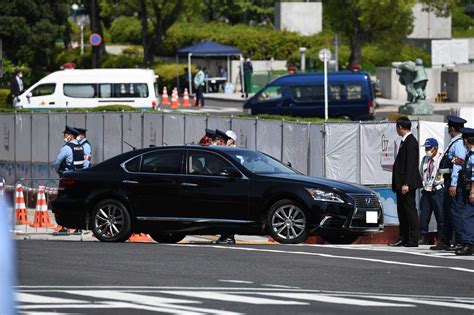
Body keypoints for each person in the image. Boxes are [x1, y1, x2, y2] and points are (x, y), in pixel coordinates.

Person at [390, 117, 423, 247]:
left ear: (400, 127)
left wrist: (406, 183)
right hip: (401, 184)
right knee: (402, 212)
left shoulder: (410, 142)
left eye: (397, 127)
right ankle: (403, 237)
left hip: (406, 184)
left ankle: (413, 239)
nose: (396, 130)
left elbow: (411, 165)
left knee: (410, 211)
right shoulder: (405, 141)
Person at [436, 115, 467, 251]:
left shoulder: (459, 143)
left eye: (449, 128)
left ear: (452, 129)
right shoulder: (455, 142)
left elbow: (458, 166)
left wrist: (453, 183)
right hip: (448, 180)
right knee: (448, 212)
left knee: (455, 212)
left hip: (454, 181)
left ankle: (460, 240)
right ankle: (446, 240)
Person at [52, 126, 84, 235]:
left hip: (67, 179)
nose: (64, 136)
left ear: (70, 136)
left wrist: (59, 172)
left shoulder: (66, 148)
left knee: (63, 202)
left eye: (65, 134)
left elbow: (56, 163)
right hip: (79, 179)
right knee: (77, 203)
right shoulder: (80, 147)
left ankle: (64, 227)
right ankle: (78, 228)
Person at [418, 138, 445, 246]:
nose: (427, 150)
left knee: (440, 215)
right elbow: (421, 172)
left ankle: (442, 238)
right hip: (427, 190)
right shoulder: (425, 159)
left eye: (429, 148)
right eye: (426, 148)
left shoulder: (441, 158)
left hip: (438, 190)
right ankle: (423, 236)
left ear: (435, 148)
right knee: (424, 214)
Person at [455, 127, 474, 255]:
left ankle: (469, 244)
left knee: (466, 216)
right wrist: (462, 163)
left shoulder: (473, 156)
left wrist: (472, 192)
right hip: (467, 189)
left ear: (466, 141)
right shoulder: (469, 155)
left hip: (471, 190)